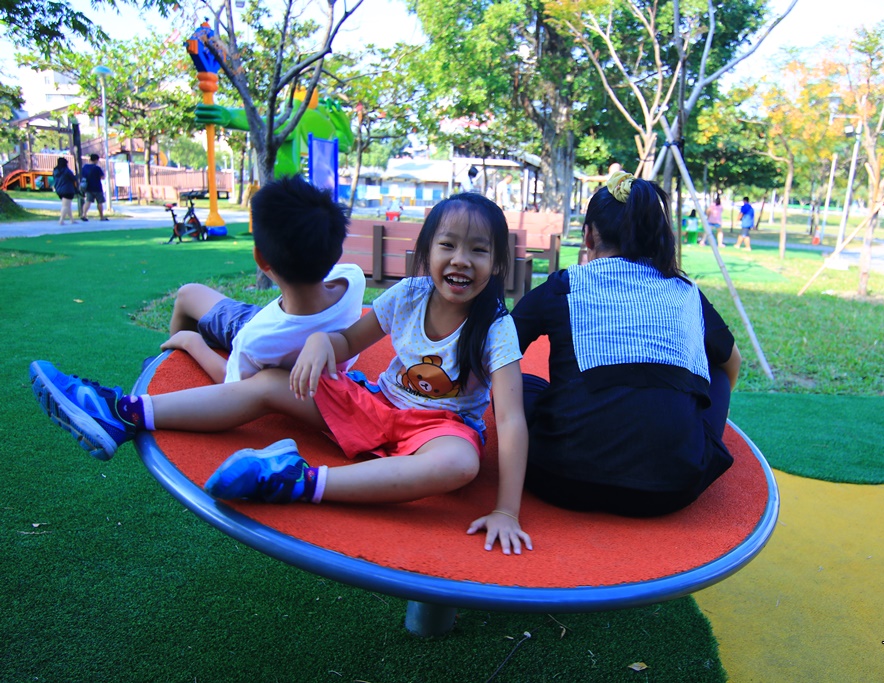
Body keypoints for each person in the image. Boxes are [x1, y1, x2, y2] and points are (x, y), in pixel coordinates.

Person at [29, 193, 532, 554]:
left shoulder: (495, 328)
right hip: (375, 407)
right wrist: (320, 341)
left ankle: (298, 480)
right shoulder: (408, 295)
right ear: (427, 251)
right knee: (271, 381)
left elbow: (509, 422)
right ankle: (121, 411)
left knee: (460, 465)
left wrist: (506, 510)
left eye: (479, 250)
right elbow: (346, 342)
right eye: (448, 245)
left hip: (439, 432)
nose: (460, 260)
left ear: (497, 262)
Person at [511, 171, 741, 517]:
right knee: (718, 376)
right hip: (672, 490)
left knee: (525, 383)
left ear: (588, 235)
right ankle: (683, 434)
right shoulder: (685, 290)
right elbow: (731, 362)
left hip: (558, 478)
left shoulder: (565, 285)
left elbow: (499, 349)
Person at [162, 176, 365, 384]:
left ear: (260, 259)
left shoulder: (254, 340)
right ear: (339, 247)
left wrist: (192, 342)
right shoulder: (354, 279)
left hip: (258, 325)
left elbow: (233, 386)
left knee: (187, 294)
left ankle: (167, 365)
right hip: (277, 324)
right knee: (191, 294)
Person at [79, 153, 108, 222]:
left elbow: (83, 175)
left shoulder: (85, 167)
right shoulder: (97, 168)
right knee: (99, 202)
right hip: (97, 187)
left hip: (88, 187)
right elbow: (102, 177)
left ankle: (84, 215)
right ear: (96, 160)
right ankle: (101, 216)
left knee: (88, 201)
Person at [51, 157, 78, 226]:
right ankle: (61, 220)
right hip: (67, 189)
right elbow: (73, 178)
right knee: (65, 206)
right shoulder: (67, 171)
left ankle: (72, 220)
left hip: (59, 189)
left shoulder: (55, 170)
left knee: (68, 205)